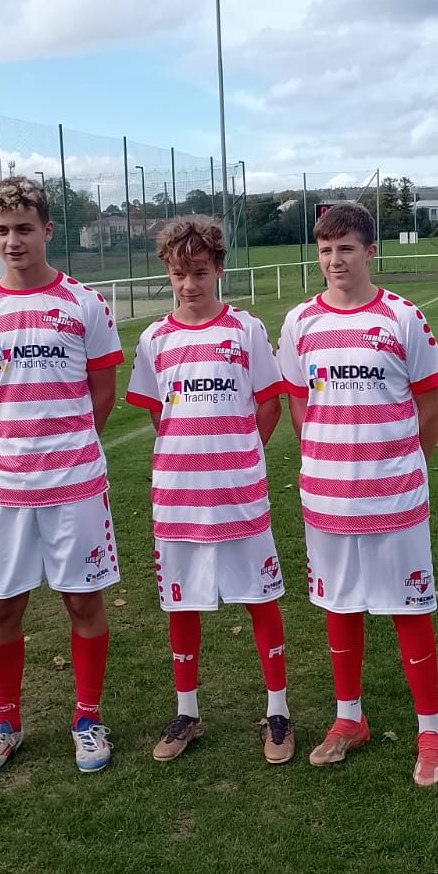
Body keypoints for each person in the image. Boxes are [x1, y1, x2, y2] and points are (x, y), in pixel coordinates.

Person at [277, 201, 438, 787]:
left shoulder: (403, 318)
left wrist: (401, 468)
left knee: (410, 608)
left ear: (370, 252)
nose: (335, 260)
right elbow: (298, 403)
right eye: (326, 250)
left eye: (346, 249)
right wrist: (326, 458)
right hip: (326, 500)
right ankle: (349, 719)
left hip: (395, 500)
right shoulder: (300, 322)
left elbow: (431, 411)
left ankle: (430, 732)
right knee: (340, 605)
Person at [0, 176, 124, 778]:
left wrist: (68, 447)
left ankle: (87, 718)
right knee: (3, 606)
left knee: (82, 599)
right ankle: (5, 723)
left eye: (24, 228)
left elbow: (102, 393)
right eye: (2, 230)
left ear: (47, 230)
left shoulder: (85, 304)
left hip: (75, 482)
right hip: (6, 485)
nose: (13, 241)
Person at [126, 216, 293, 765]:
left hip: (239, 494)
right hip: (178, 496)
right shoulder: (154, 339)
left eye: (199, 272)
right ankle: (187, 712)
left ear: (218, 269)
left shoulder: (245, 330)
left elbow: (268, 404)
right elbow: (159, 415)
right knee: (182, 604)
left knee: (260, 598)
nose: (189, 284)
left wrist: (240, 455)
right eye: (179, 274)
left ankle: (278, 711)